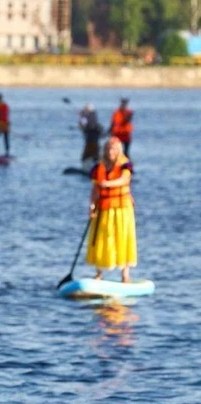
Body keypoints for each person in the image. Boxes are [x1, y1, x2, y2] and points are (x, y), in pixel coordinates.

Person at [86, 136, 136, 283]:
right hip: (104, 208)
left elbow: (124, 179)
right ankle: (99, 273)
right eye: (108, 148)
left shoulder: (125, 165)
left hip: (121, 208)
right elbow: (95, 188)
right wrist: (92, 205)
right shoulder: (99, 167)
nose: (110, 151)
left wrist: (108, 184)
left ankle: (125, 274)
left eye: (113, 148)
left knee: (123, 238)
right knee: (101, 238)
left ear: (119, 150)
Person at [78, 104, 103, 170]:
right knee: (95, 157)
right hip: (94, 141)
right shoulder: (93, 116)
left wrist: (82, 116)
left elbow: (83, 126)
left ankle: (89, 169)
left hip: (90, 142)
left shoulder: (88, 117)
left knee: (86, 157)